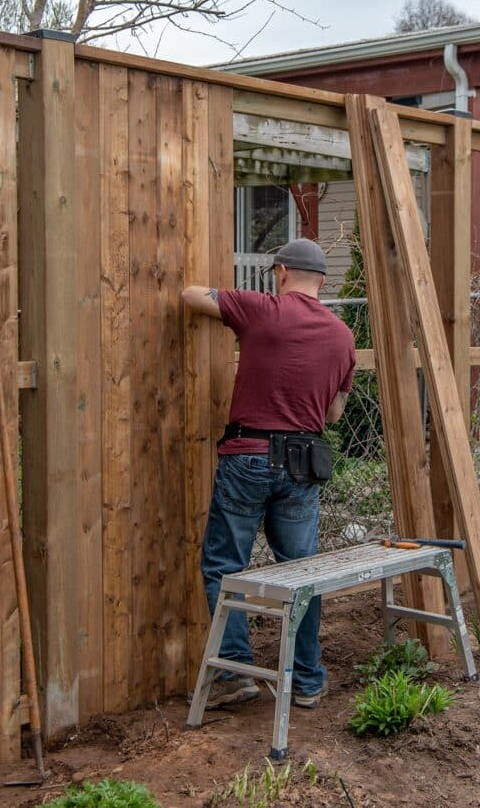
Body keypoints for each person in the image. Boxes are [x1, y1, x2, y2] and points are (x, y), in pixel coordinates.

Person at [181, 239, 356, 710]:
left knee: (225, 566)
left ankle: (235, 671)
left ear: (280, 272)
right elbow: (336, 413)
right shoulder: (342, 335)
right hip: (302, 464)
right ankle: (307, 680)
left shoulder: (260, 309)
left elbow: (191, 296)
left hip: (248, 456)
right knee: (302, 573)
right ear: (322, 281)